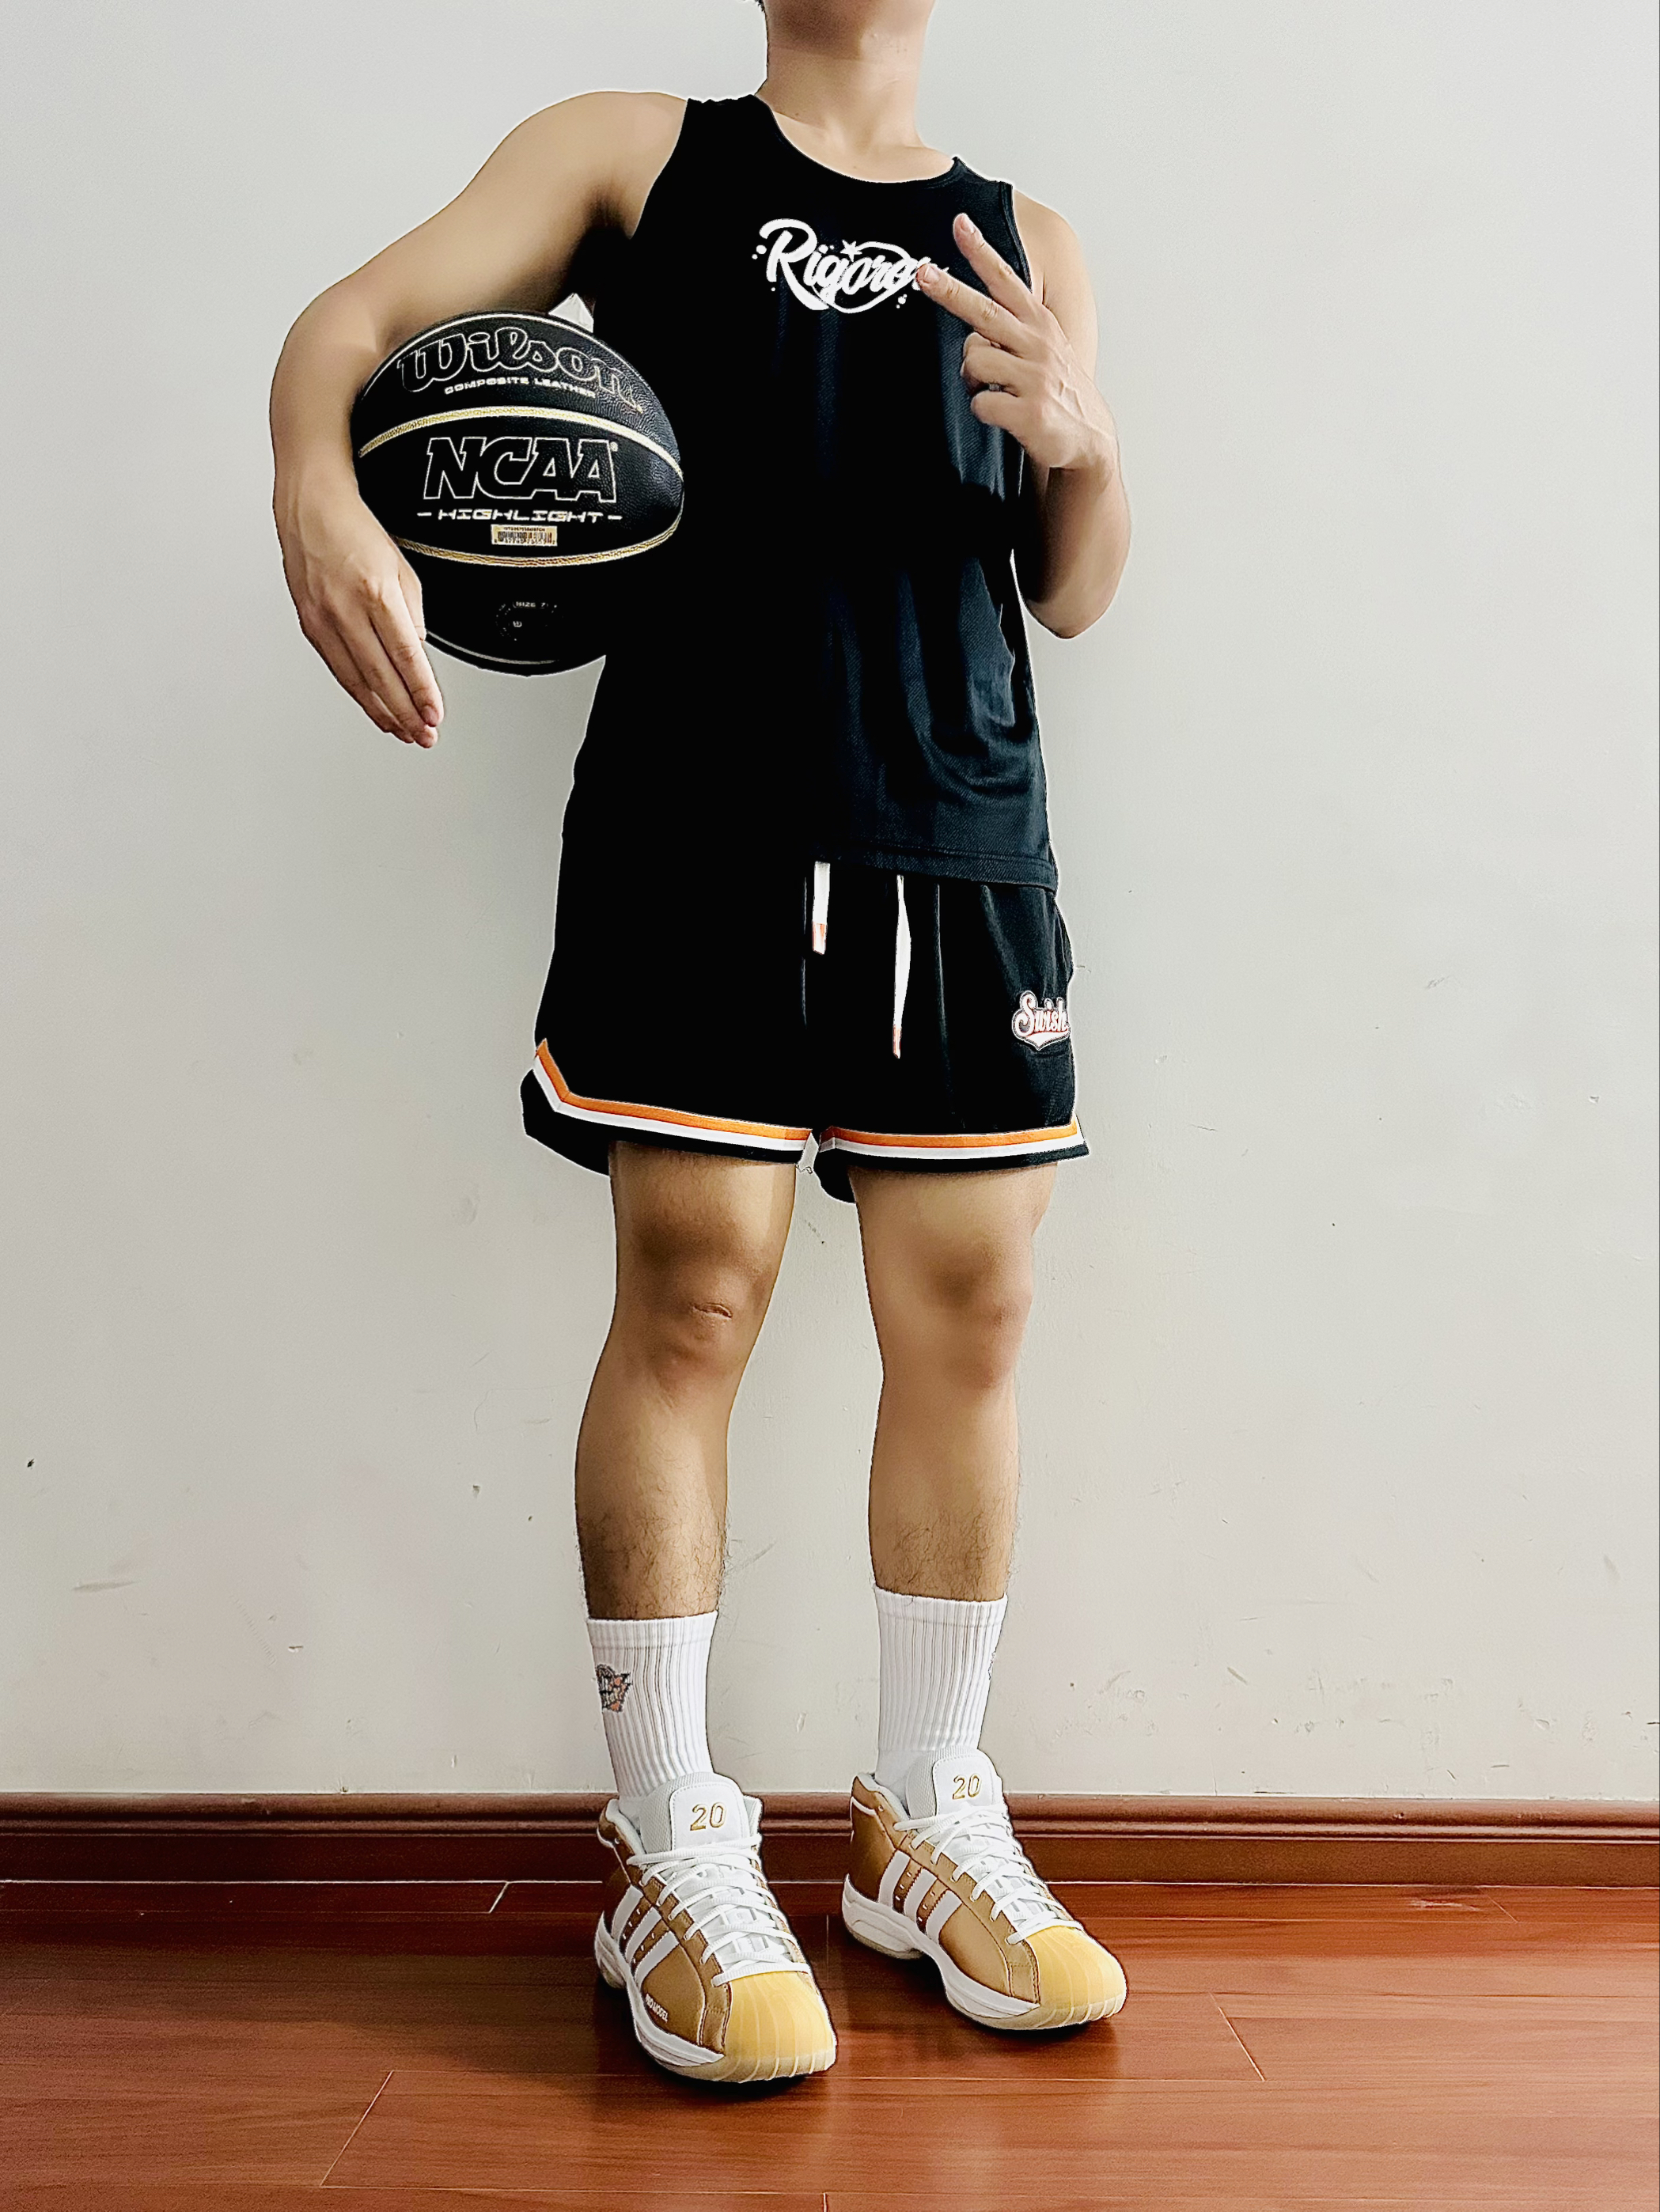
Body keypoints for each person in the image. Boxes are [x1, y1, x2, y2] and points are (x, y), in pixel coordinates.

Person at [271, 0, 1131, 2086]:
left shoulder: (1025, 233)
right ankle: (666, 1833)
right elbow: (347, 325)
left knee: (977, 1311)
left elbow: (1074, 591)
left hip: (958, 829)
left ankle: (922, 1811)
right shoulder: (630, 154)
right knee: (694, 1295)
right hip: (697, 829)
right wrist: (318, 483)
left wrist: (1089, 448)